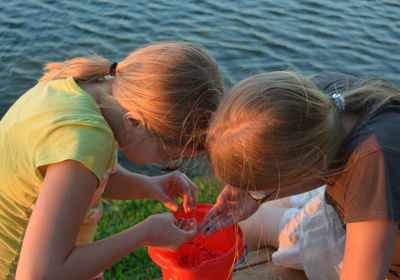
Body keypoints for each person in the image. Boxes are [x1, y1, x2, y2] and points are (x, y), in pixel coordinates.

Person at [0, 41, 224, 279]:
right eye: (168, 158)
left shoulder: (86, 90)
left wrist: (149, 185)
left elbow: (90, 179)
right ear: (135, 122)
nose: (163, 163)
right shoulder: (84, 140)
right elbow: (40, 274)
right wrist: (146, 233)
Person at [200, 71, 400, 279]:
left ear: (307, 165)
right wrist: (250, 192)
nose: (255, 191)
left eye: (259, 187)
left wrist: (261, 195)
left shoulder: (373, 165)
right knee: (251, 221)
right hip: (361, 206)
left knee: (284, 234)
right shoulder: (316, 98)